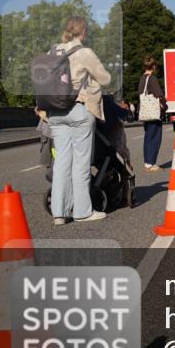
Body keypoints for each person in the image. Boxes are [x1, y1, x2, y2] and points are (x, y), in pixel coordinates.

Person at [46, 16, 113, 225]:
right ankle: (83, 211)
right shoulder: (84, 52)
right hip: (78, 109)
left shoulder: (53, 51)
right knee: (80, 163)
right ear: (83, 32)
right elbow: (105, 78)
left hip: (55, 112)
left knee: (61, 163)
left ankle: (59, 213)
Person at [138, 56, 167, 171]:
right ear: (154, 66)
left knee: (148, 137)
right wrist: (164, 105)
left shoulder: (142, 79)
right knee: (155, 137)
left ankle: (147, 162)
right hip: (153, 113)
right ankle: (151, 163)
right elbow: (158, 94)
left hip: (146, 112)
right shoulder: (152, 79)